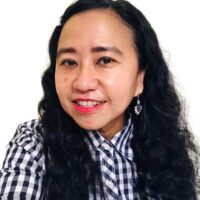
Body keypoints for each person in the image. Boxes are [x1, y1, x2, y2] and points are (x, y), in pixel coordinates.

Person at [0, 0, 199, 199]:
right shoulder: (33, 144)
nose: (83, 83)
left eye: (105, 60)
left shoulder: (167, 147)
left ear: (140, 79)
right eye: (69, 62)